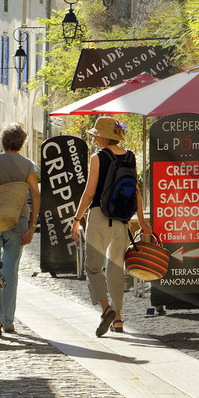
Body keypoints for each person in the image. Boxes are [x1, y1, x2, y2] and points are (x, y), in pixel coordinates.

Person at [70, 116, 135, 336]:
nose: (95, 139)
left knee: (92, 267)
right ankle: (118, 319)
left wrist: (77, 218)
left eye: (97, 135)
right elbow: (135, 190)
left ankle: (106, 308)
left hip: (99, 216)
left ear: (103, 137)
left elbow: (89, 193)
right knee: (116, 268)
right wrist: (142, 221)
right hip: (122, 220)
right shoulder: (130, 156)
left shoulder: (98, 158)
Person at [0, 124, 39, 334]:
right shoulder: (27, 165)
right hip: (17, 221)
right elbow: (36, 196)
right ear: (21, 144)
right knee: (10, 272)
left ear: (3, 142)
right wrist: (31, 226)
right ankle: (8, 320)